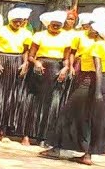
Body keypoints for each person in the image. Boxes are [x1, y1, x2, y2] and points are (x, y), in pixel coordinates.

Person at [41, 21, 105, 165]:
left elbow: (98, 69)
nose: (89, 30)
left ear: (98, 33)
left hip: (89, 82)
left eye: (92, 29)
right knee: (94, 119)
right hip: (104, 84)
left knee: (67, 113)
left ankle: (56, 148)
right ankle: (87, 155)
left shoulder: (96, 46)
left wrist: (98, 92)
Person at [24, 11, 77, 146]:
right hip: (40, 69)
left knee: (52, 104)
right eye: (53, 25)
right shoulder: (39, 36)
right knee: (35, 102)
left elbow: (66, 58)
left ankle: (44, 137)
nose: (56, 27)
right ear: (48, 24)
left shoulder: (66, 38)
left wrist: (65, 69)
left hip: (56, 69)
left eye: (59, 25)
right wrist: (36, 63)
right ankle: (27, 135)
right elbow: (31, 55)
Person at [0, 8, 33, 140]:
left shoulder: (27, 33)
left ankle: (3, 131)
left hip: (16, 62)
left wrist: (25, 64)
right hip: (1, 60)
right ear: (10, 20)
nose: (18, 24)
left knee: (11, 98)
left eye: (20, 21)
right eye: (15, 21)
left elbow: (25, 51)